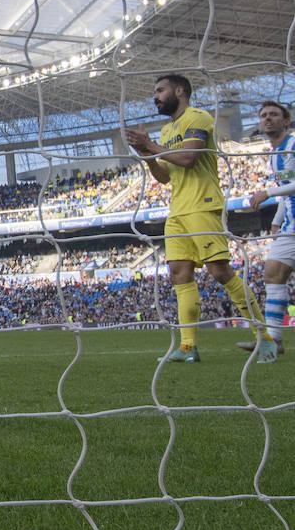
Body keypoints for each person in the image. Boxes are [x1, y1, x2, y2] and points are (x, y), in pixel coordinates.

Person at [124, 74, 267, 362]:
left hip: (203, 205)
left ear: (180, 91)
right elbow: (164, 177)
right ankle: (188, 347)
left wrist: (153, 147)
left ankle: (264, 338)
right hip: (177, 210)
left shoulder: (198, 118)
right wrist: (148, 155)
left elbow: (190, 158)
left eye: (160, 90)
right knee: (179, 273)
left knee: (220, 272)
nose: (155, 96)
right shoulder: (166, 131)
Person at [238, 101, 295, 362]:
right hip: (291, 224)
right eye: (263, 115)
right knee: (273, 271)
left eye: (274, 115)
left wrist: (267, 193)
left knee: (274, 271)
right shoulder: (275, 154)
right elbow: (288, 191)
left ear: (286, 121)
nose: (268, 119)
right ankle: (273, 339)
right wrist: (277, 218)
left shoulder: (293, 145)